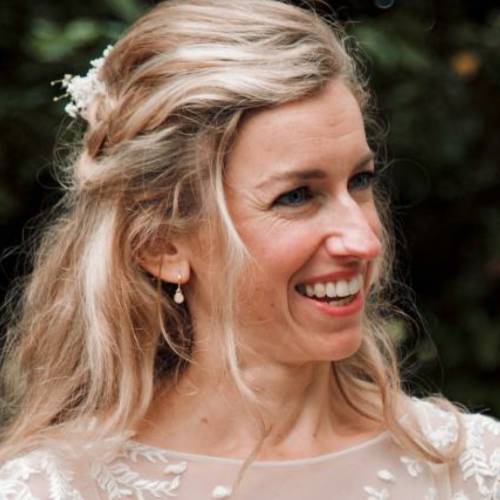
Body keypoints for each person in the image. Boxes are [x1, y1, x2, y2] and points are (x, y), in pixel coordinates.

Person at [0, 0, 498, 498]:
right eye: (297, 196)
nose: (364, 241)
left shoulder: (471, 468)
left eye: (360, 181)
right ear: (160, 244)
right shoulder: (55, 487)